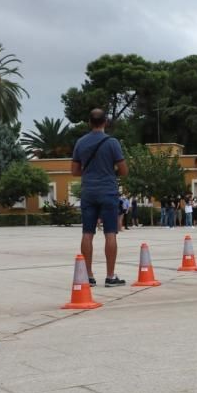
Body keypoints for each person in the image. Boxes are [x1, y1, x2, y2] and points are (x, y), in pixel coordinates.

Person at [71, 108, 128, 287]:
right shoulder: (112, 143)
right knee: (110, 233)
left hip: (88, 192)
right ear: (105, 122)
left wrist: (89, 172)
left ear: (89, 122)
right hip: (108, 192)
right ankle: (110, 276)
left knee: (87, 233)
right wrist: (110, 172)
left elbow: (74, 171)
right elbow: (124, 170)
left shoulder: (80, 142)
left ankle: (88, 276)